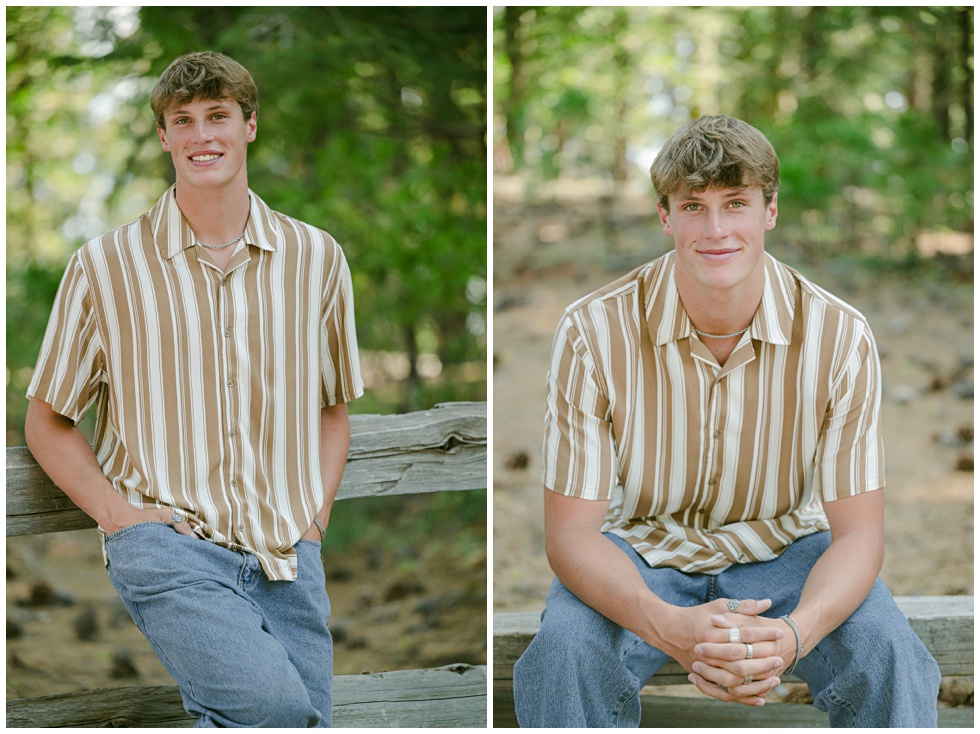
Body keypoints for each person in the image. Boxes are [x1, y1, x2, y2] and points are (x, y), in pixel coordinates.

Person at [512, 115, 940, 727]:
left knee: (889, 653)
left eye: (736, 203)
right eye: (694, 206)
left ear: (769, 210)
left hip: (788, 547)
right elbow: (571, 536)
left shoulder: (840, 336)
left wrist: (794, 635)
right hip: (639, 550)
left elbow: (859, 536)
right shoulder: (591, 333)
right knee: (563, 655)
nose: (716, 230)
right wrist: (670, 627)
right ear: (665, 216)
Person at [24, 51, 363, 727]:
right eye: (184, 120)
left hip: (287, 555)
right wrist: (119, 518)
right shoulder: (104, 265)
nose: (202, 134)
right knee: (269, 710)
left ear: (249, 126)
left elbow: (332, 410)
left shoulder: (315, 256)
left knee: (305, 722)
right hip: (168, 544)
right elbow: (47, 419)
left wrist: (313, 522)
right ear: (163, 137)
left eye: (218, 116)